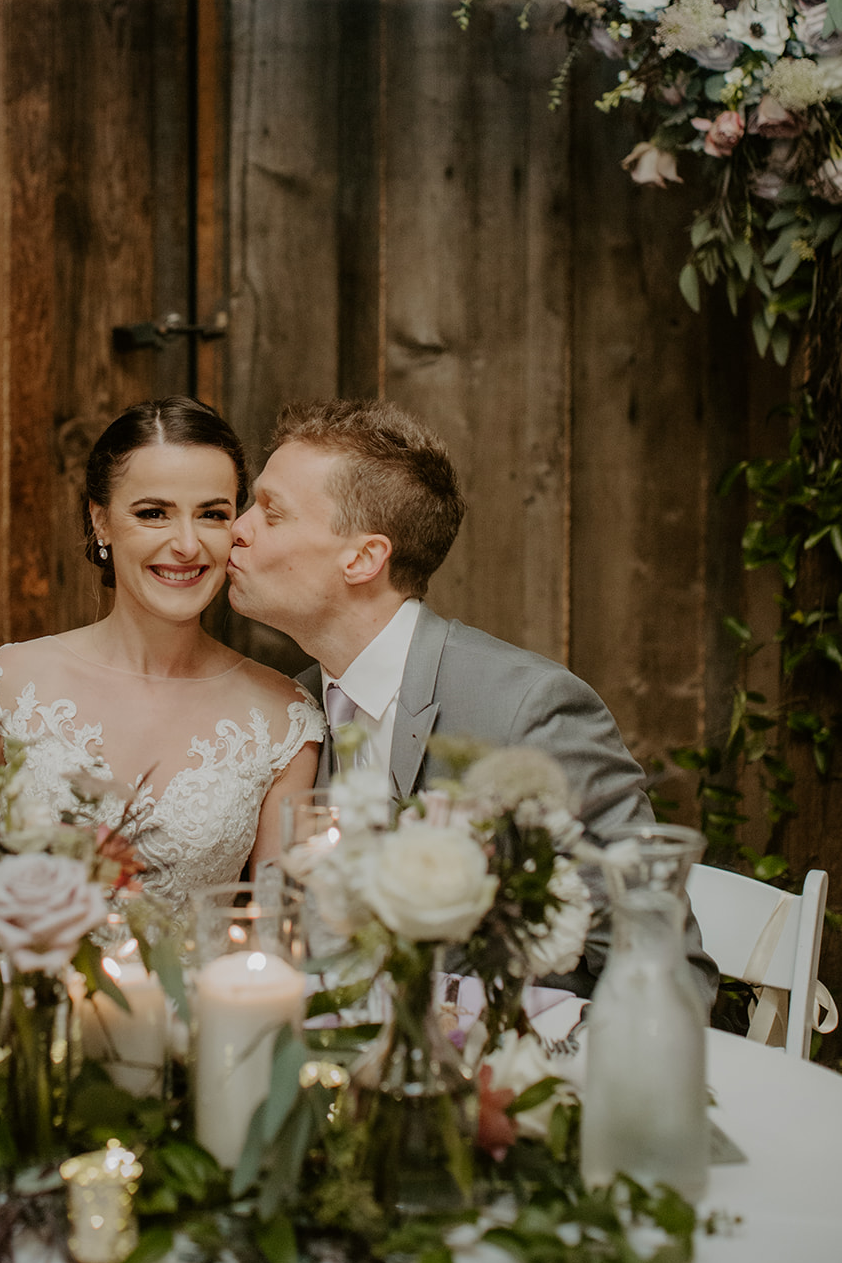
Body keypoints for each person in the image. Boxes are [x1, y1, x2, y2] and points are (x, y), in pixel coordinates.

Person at [226, 397, 717, 1003]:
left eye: (271, 512)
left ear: (363, 558)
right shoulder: (289, 711)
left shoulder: (530, 710)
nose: (237, 528)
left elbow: (667, 973)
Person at [0, 397, 322, 927]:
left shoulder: (282, 719)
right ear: (100, 520)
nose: (187, 544)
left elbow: (278, 933)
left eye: (212, 514)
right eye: (153, 513)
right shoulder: (2, 691)